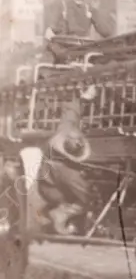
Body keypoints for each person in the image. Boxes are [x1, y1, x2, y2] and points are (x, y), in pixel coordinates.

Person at [36, 100, 94, 235]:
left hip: (45, 186)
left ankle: (49, 213)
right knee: (86, 202)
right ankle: (60, 213)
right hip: (54, 193)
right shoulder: (69, 173)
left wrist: (81, 100)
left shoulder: (63, 133)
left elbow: (69, 117)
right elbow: (86, 195)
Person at [44, 0, 116, 63]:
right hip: (64, 48)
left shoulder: (89, 9)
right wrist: (52, 34)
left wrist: (110, 21)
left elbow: (105, 31)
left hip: (83, 49)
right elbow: (50, 31)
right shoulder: (63, 7)